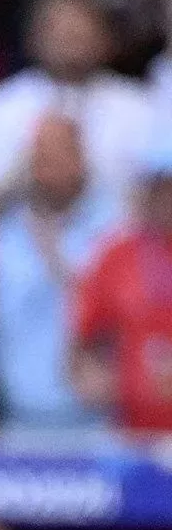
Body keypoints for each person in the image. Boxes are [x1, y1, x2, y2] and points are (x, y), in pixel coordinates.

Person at [0, 114, 119, 427]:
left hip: (99, 424)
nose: (47, 166)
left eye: (59, 153)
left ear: (81, 158)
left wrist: (59, 265)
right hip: (15, 424)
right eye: (40, 155)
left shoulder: (117, 231)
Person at [0, 0, 150, 244]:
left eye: (83, 23)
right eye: (59, 25)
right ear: (32, 38)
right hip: (23, 268)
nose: (72, 35)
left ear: (107, 36)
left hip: (125, 270)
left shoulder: (140, 107)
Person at [70, 135, 172, 430]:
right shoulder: (115, 255)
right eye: (159, 187)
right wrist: (96, 379)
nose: (166, 198)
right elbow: (82, 345)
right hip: (133, 437)